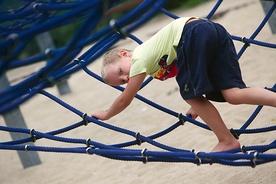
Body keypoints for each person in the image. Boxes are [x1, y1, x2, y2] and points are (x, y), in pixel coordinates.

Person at [92, 17, 276, 152]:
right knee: (233, 94)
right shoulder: (153, 60)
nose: (126, 79)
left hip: (192, 34)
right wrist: (197, 103)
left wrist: (107, 114)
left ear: (124, 54)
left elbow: (125, 99)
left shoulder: (140, 58)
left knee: (189, 94)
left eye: (121, 72)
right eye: (122, 81)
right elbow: (193, 70)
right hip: (213, 32)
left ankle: (227, 140)